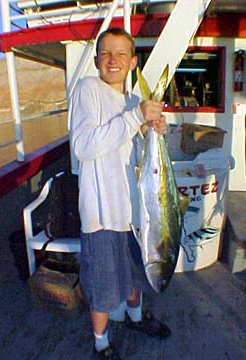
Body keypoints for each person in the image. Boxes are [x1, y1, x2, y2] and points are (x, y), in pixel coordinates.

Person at [70, 27, 171, 360]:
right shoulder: (88, 89)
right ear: (98, 59)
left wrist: (152, 131)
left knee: (136, 277)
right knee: (101, 288)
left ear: (132, 61)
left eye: (121, 54)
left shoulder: (132, 101)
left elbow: (133, 145)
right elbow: (84, 147)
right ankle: (101, 342)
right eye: (106, 53)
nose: (113, 60)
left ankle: (136, 318)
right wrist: (135, 118)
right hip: (102, 216)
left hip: (136, 214)